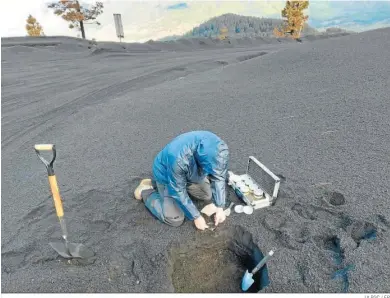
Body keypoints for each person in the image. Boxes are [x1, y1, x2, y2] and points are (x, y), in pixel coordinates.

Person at [134, 131, 229, 230]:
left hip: (189, 174)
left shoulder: (218, 149)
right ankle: (146, 190)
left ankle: (162, 186)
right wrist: (196, 217)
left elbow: (219, 176)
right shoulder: (179, 159)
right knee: (175, 219)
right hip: (166, 175)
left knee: (206, 195)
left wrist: (220, 207)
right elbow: (178, 191)